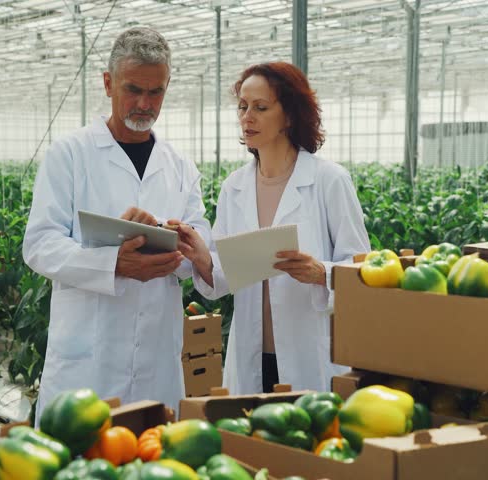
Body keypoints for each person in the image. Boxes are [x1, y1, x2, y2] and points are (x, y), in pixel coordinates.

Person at [23, 27, 213, 421]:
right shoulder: (70, 155)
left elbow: (199, 243)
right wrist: (114, 263)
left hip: (157, 357)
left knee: (151, 457)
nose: (144, 103)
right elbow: (40, 244)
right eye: (133, 89)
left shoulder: (180, 167)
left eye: (156, 92)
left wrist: (172, 240)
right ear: (108, 83)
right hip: (87, 361)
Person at [173, 62, 370, 394]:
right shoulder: (234, 188)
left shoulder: (328, 180)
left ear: (290, 115)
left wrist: (321, 272)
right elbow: (223, 274)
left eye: (260, 107)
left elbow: (364, 267)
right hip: (252, 354)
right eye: (243, 106)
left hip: (310, 351)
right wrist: (202, 258)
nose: (247, 116)